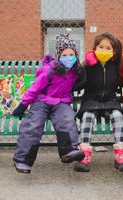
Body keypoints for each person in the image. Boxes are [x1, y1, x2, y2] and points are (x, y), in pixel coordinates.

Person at [12, 34, 85, 173]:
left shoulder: (76, 71)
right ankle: (23, 159)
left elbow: (85, 75)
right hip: (42, 101)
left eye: (72, 54)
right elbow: (35, 88)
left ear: (76, 55)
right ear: (58, 56)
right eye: (64, 54)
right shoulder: (49, 70)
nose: (68, 57)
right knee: (33, 125)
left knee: (67, 120)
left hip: (62, 102)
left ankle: (68, 151)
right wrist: (23, 105)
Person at [74, 32, 123, 172]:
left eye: (108, 48)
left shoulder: (116, 65)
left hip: (110, 100)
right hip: (91, 100)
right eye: (101, 47)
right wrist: (81, 70)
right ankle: (84, 155)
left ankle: (120, 155)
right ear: (94, 48)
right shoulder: (88, 66)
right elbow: (77, 85)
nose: (104, 50)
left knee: (117, 116)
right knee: (87, 117)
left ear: (114, 51)